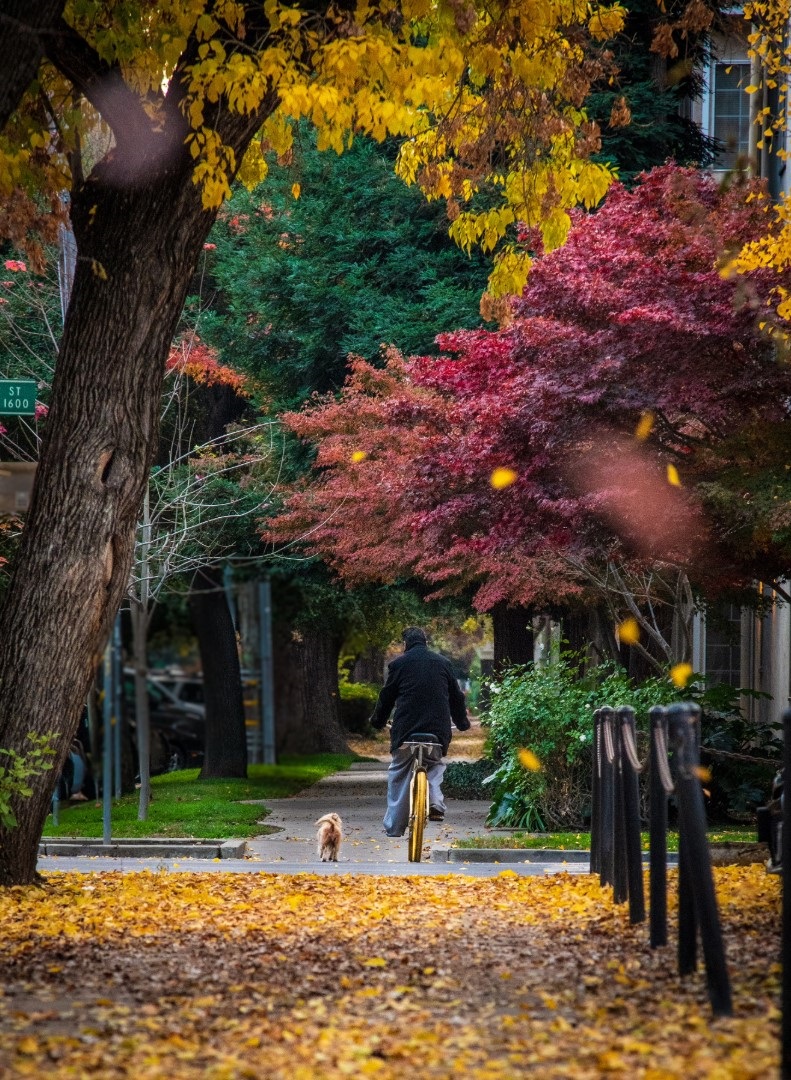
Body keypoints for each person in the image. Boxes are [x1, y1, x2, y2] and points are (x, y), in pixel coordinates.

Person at [370, 626, 470, 836]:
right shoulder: (443, 663)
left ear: (405, 644)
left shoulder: (398, 664)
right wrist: (462, 723)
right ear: (426, 642)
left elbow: (386, 697)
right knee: (434, 765)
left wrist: (378, 722)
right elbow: (457, 697)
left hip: (405, 733)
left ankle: (394, 827)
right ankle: (436, 803)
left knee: (399, 773)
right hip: (436, 732)